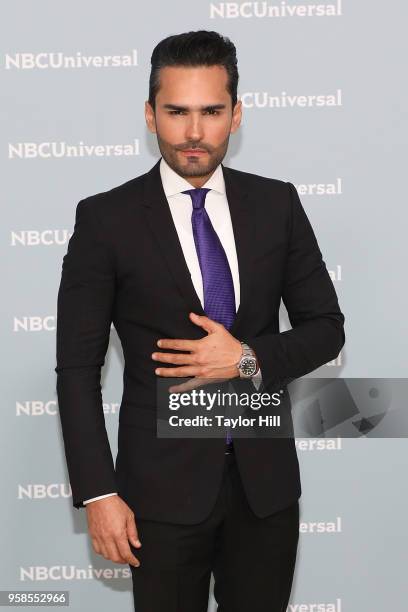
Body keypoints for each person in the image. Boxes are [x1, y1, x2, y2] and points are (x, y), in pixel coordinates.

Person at [55, 30, 345, 612]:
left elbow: (326, 328)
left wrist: (248, 357)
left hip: (265, 491)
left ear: (236, 115)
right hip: (156, 496)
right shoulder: (105, 220)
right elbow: (77, 370)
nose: (193, 132)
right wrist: (98, 494)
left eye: (211, 111)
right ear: (149, 114)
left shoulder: (277, 205)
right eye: (177, 112)